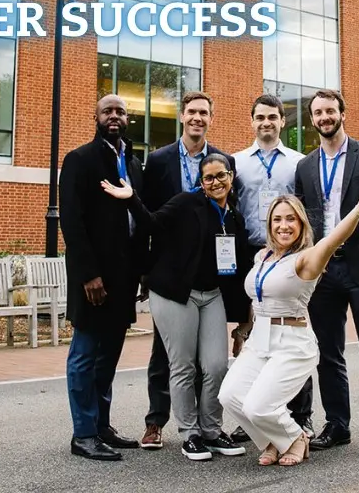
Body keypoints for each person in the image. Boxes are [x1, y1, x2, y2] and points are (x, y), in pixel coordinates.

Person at [219, 190, 359, 466]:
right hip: (259, 340)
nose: (283, 225)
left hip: (292, 343)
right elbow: (258, 298)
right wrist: (243, 331)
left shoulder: (307, 258)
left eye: (290, 219)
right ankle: (272, 442)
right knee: (229, 396)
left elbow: (337, 236)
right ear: (269, 224)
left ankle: (294, 437)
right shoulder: (262, 256)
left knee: (258, 406)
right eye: (277, 219)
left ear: (300, 224)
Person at [103, 153, 251, 461]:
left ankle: (212, 430)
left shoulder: (234, 215)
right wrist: (131, 198)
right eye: (208, 178)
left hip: (210, 295)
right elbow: (152, 222)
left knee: (216, 366)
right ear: (201, 182)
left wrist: (243, 321)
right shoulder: (187, 203)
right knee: (183, 365)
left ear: (231, 176)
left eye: (221, 175)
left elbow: (237, 270)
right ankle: (190, 434)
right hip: (174, 294)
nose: (216, 182)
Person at [294, 89, 359, 456]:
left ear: (343, 113)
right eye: (318, 113)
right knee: (327, 354)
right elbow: (302, 220)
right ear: (312, 119)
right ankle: (337, 425)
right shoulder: (305, 166)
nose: (324, 117)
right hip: (323, 273)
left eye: (330, 110)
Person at [136, 92, 236, 451]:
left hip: (207, 275)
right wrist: (146, 274)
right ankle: (156, 421)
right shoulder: (159, 160)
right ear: (182, 116)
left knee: (209, 361)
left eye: (204, 113)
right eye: (191, 112)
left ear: (211, 117)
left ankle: (206, 427)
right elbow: (147, 218)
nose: (197, 118)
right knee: (165, 355)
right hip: (170, 276)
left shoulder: (220, 161)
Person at [59, 94, 144, 461]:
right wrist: (88, 275)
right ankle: (83, 434)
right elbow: (72, 223)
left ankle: (101, 426)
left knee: (108, 357)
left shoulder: (135, 163)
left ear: (128, 119)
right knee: (84, 355)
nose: (114, 116)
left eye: (120, 111)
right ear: (96, 117)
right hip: (93, 280)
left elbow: (141, 221)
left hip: (125, 280)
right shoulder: (79, 160)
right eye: (107, 111)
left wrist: (141, 274)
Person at [231, 94, 309, 441]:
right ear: (252, 121)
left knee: (290, 333)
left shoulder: (298, 163)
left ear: (282, 121)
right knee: (253, 333)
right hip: (250, 252)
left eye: (273, 117)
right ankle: (252, 413)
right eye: (260, 117)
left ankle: (300, 416)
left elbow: (308, 210)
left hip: (288, 254)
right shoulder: (236, 162)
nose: (266, 123)